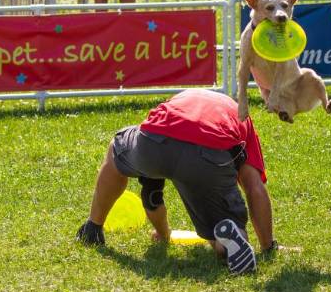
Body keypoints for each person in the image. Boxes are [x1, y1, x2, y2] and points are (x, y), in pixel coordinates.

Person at [76, 88, 277, 274]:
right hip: (209, 156)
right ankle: (230, 240)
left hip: (156, 142)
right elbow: (254, 188)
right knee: (225, 226)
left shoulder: (180, 98)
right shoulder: (243, 118)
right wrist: (268, 246)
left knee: (116, 149)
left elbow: (151, 194)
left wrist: (164, 235)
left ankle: (93, 229)